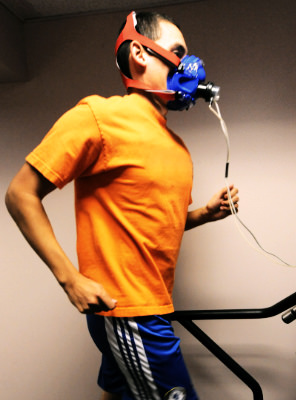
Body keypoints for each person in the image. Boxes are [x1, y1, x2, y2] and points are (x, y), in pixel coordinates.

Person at [5, 10, 239, 400]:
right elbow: (20, 194)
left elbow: (151, 224)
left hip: (154, 304)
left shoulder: (178, 149)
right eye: (178, 51)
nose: (189, 65)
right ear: (139, 54)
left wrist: (203, 215)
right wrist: (70, 279)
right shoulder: (99, 117)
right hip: (129, 312)